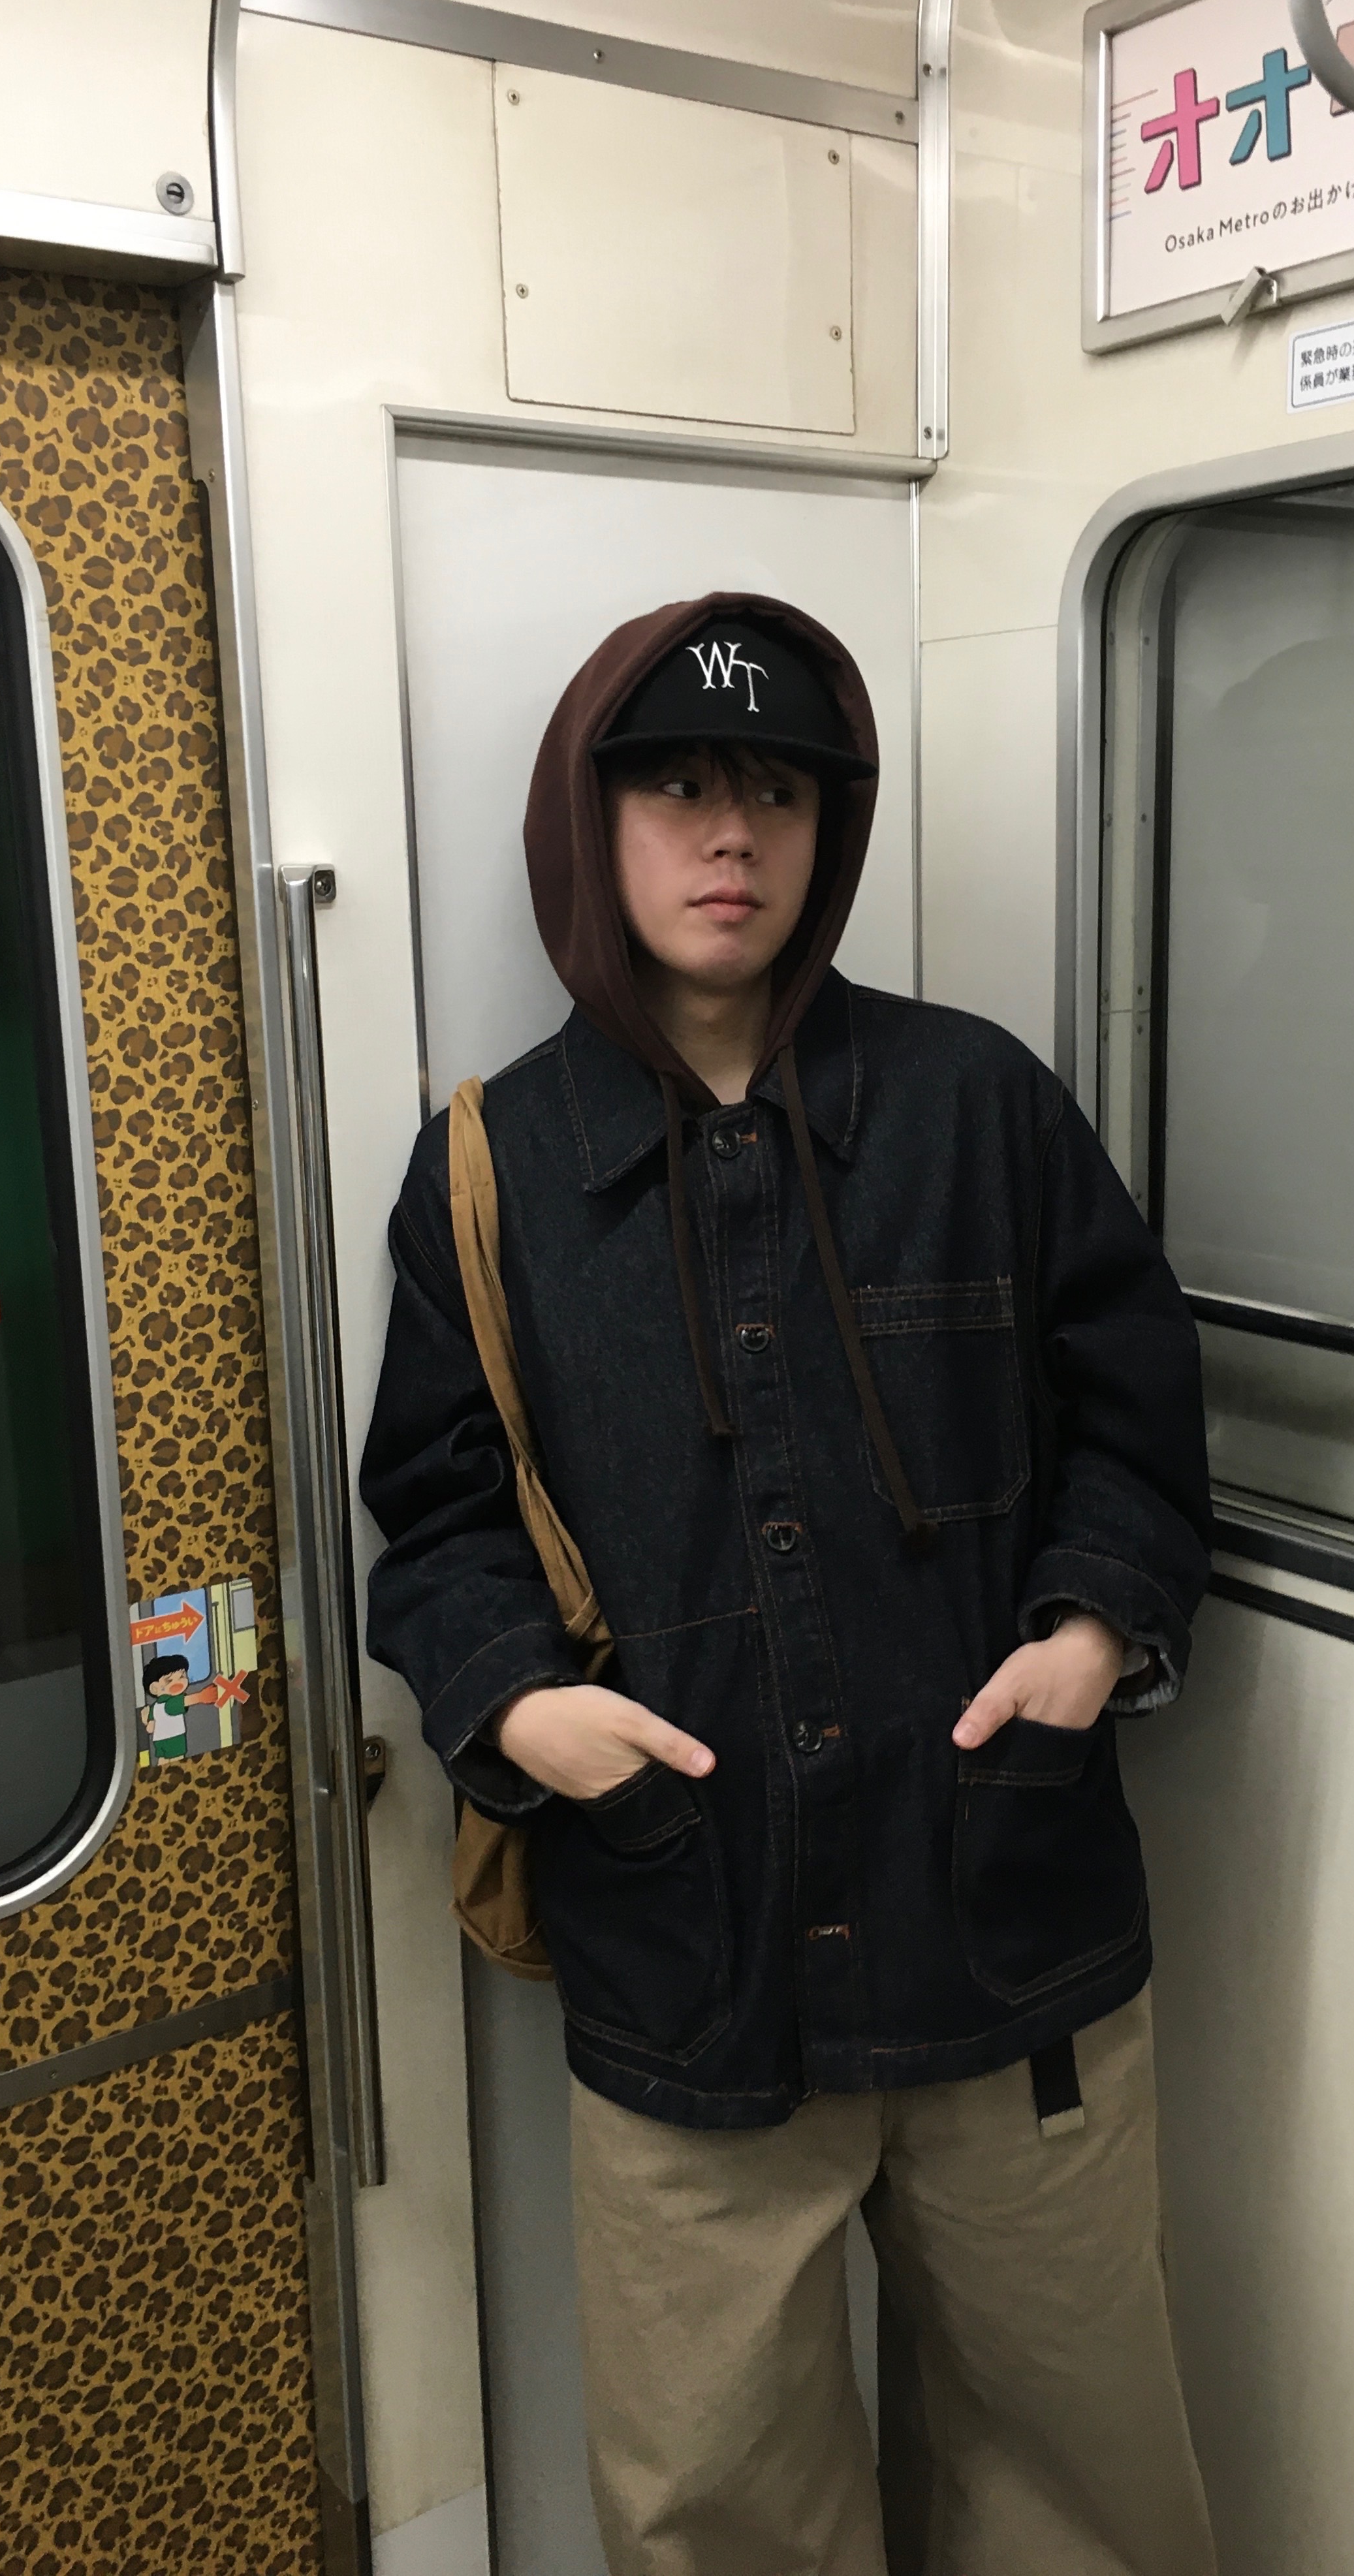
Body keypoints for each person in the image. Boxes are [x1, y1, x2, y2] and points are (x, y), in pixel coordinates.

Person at [361, 594, 1217, 2576]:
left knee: (1084, 2481)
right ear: (592, 824)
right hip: (691, 1945)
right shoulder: (492, 1164)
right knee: (717, 2507)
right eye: (678, 788)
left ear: (831, 831)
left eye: (777, 793)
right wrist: (521, 1710)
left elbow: (1140, 1410)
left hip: (1005, 1923)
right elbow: (436, 1507)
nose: (731, 836)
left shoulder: (977, 1103)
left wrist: (1093, 1631)